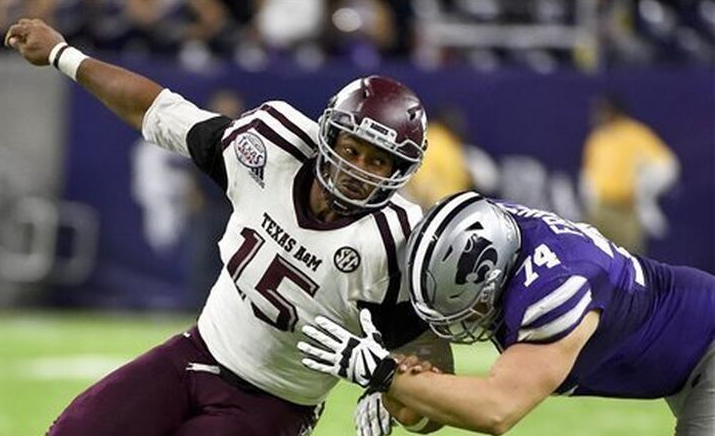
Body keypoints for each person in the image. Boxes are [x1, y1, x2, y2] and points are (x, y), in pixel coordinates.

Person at [4, 18, 453, 436]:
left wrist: (395, 386)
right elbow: (157, 111)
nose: (358, 169)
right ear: (329, 137)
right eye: (352, 150)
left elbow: (432, 374)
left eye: (377, 162)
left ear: (399, 172)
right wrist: (63, 54)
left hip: (276, 403)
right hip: (195, 353)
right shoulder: (269, 147)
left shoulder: (394, 242)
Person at [299, 190, 715, 435]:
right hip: (684, 357)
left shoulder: (556, 288)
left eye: (465, 307)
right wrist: (397, 387)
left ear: (493, 277)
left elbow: (496, 409)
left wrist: (383, 374)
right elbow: (430, 411)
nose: (457, 323)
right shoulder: (491, 229)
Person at [581, 94, 679, 254]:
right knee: (595, 256)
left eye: (603, 110)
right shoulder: (597, 138)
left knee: (629, 258)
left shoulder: (634, 134)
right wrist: (591, 203)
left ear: (614, 111)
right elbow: (589, 174)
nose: (599, 115)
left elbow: (667, 166)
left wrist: (644, 193)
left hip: (626, 211)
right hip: (601, 209)